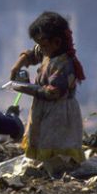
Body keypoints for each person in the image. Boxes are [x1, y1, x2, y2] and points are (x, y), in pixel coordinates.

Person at [9, 11, 85, 164]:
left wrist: (24, 88)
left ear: (56, 42)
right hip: (43, 109)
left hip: (59, 113)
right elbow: (33, 54)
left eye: (43, 44)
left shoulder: (64, 64)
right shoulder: (47, 51)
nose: (40, 48)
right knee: (40, 141)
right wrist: (19, 63)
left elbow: (52, 93)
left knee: (54, 147)